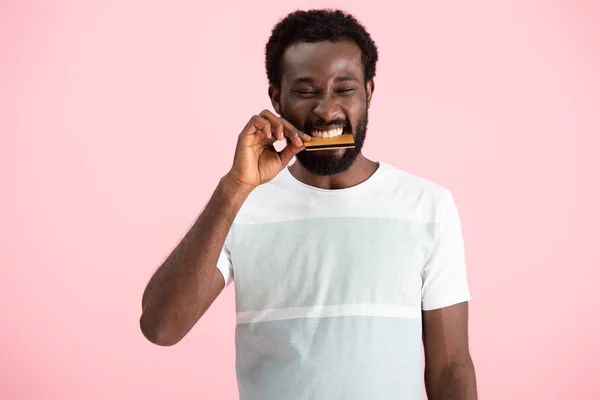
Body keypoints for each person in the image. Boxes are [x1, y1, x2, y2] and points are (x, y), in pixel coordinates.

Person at [140, 8, 477, 400]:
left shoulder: (428, 205)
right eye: (305, 91)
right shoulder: (240, 204)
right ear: (276, 98)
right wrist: (234, 187)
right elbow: (161, 327)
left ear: (368, 92)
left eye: (344, 88)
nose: (326, 110)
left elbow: (451, 365)